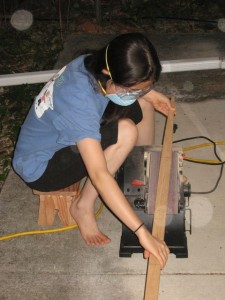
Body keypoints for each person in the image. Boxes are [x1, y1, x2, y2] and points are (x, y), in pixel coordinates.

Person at [12, 32, 174, 269]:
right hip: (42, 167)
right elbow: (98, 174)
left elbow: (132, 91)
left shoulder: (94, 62)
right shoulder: (79, 101)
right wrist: (142, 232)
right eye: (133, 88)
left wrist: (151, 94)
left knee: (143, 105)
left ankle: (141, 173)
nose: (136, 93)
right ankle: (82, 206)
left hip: (64, 134)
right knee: (126, 131)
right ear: (109, 74)